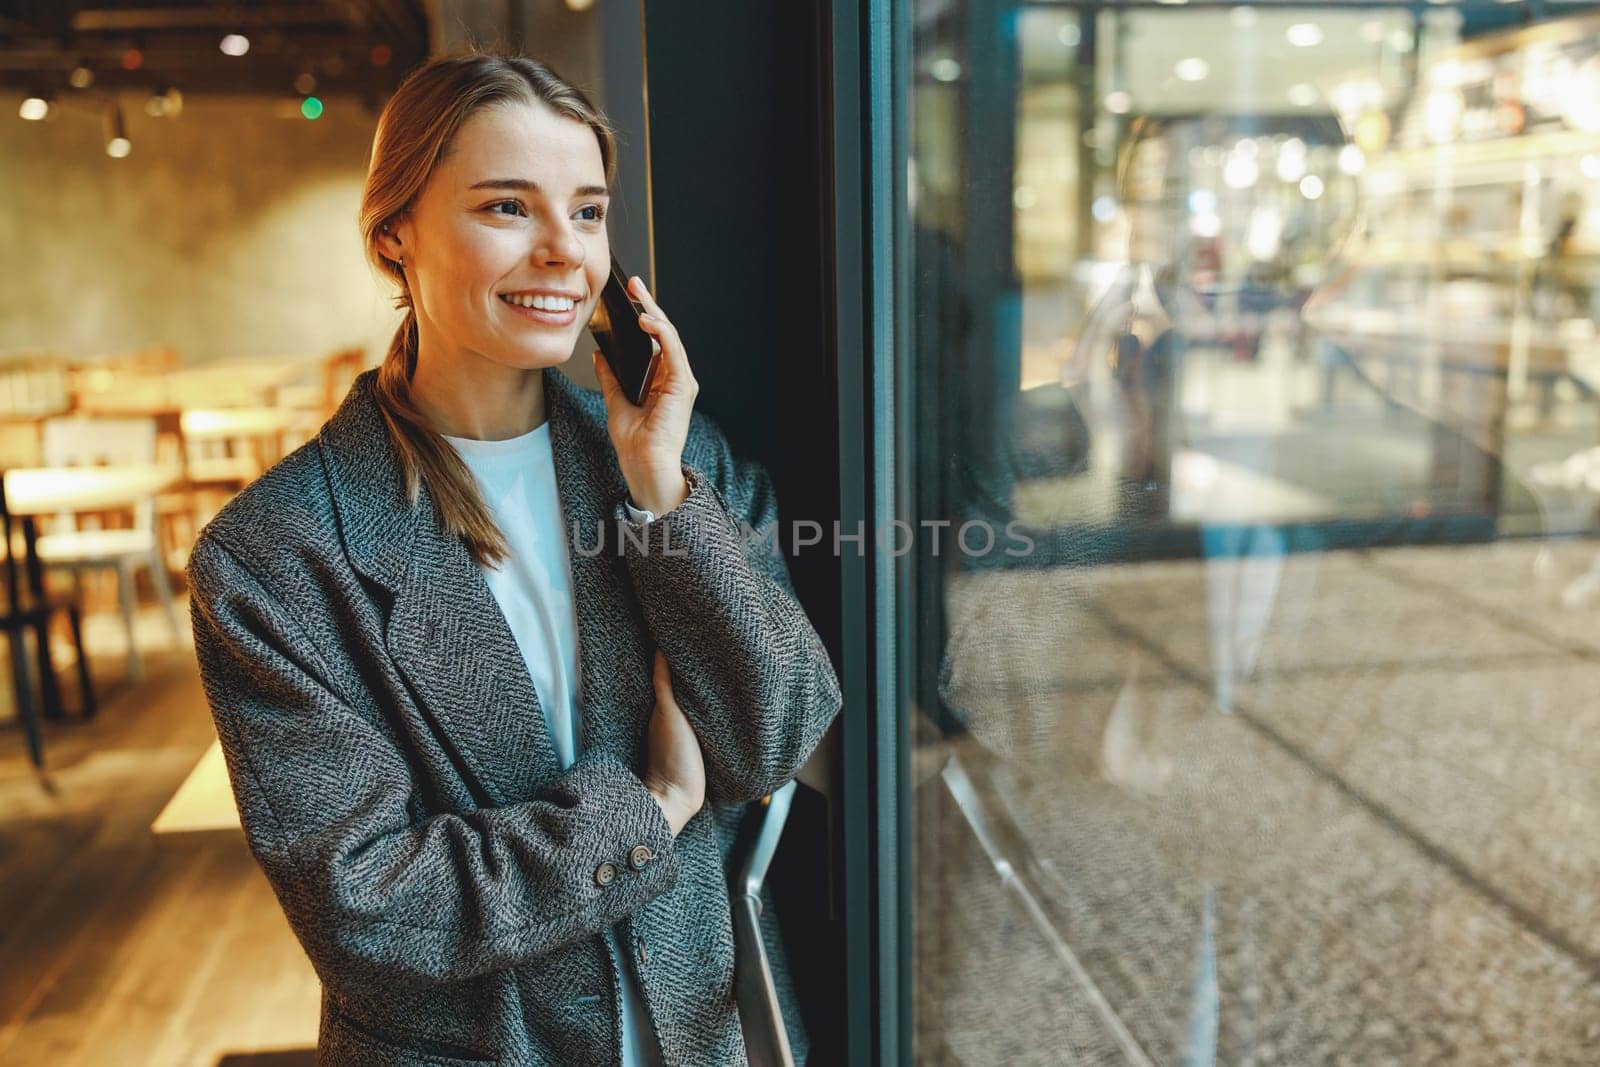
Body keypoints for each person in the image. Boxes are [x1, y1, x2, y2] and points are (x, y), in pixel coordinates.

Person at [186, 51, 842, 1066]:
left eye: (586, 212)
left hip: (696, 1034)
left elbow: (775, 733)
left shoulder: (677, 463)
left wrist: (661, 492)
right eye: (506, 208)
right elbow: (367, 913)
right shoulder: (276, 555)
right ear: (392, 234)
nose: (563, 253)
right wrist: (650, 811)